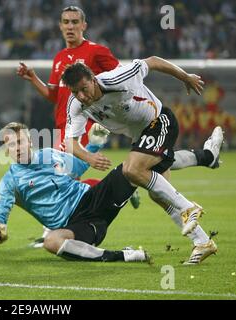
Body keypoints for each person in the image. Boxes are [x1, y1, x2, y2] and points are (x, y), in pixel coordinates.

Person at [61, 57, 223, 264]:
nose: (82, 96)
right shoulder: (76, 104)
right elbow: (70, 142)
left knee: (132, 169)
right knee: (159, 195)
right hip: (140, 137)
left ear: (93, 79)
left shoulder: (118, 78)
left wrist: (185, 77)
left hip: (159, 120)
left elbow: (153, 61)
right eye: (75, 92)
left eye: (84, 88)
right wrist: (89, 157)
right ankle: (202, 242)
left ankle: (188, 208)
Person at [0, 122, 149, 263]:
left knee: (133, 166)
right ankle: (124, 255)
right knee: (51, 241)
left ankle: (157, 184)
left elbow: (78, 166)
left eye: (20, 142)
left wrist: (94, 144)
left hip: (93, 199)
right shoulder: (10, 181)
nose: (17, 148)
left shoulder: (49, 154)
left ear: (30, 142)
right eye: (11, 145)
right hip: (77, 227)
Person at [16, 6, 120, 150]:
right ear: (60, 26)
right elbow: (54, 96)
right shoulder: (59, 57)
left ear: (84, 25)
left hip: (87, 123)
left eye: (75, 22)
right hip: (63, 125)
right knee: (62, 171)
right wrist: (34, 78)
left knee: (63, 170)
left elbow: (122, 79)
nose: (70, 27)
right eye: (66, 22)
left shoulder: (97, 51)